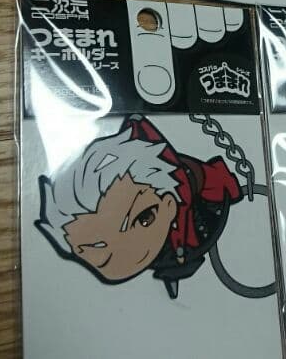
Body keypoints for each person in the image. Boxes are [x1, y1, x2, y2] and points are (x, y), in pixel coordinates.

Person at [36, 115, 243, 298]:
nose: (123, 252)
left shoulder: (194, 203)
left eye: (144, 219)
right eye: (97, 247)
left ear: (169, 204)